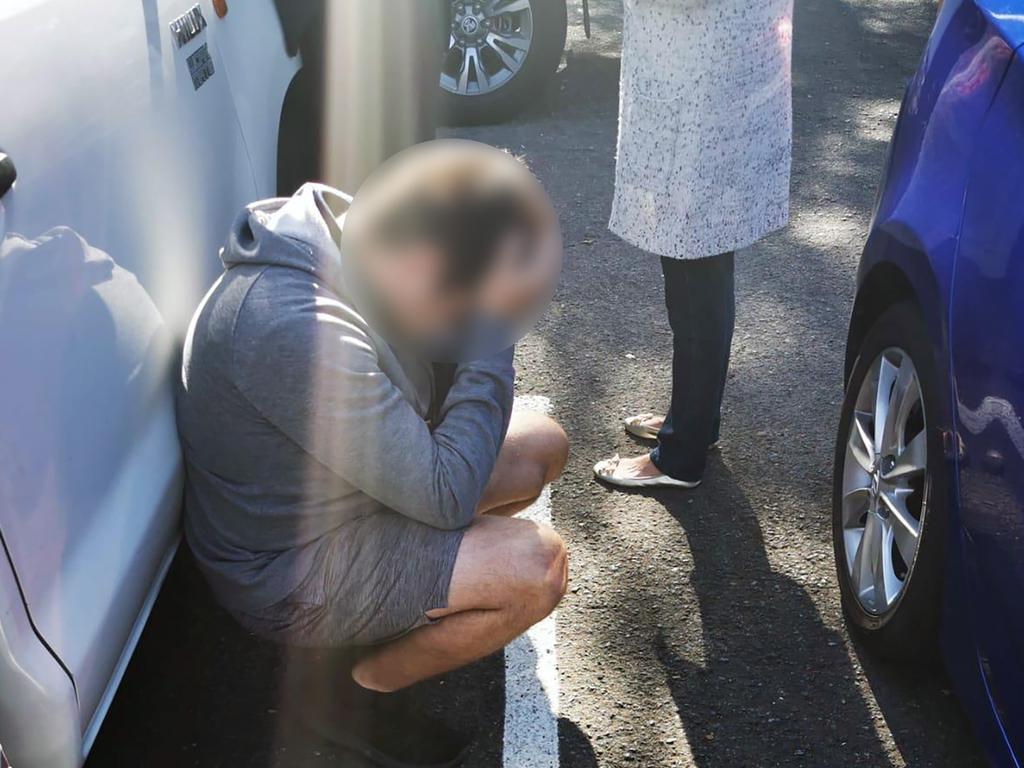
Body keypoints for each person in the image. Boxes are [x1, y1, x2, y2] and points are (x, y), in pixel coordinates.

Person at [176, 141, 566, 767]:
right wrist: (493, 327)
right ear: (418, 261)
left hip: (340, 496)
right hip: (285, 567)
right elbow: (446, 496)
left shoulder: (365, 234)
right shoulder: (290, 325)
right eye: (457, 302)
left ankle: (419, 598)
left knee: (542, 443)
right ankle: (350, 694)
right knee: (535, 568)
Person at [594, 0, 793, 488]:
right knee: (695, 255)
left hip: (705, 74)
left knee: (696, 260)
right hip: (702, 62)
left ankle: (681, 453)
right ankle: (695, 420)